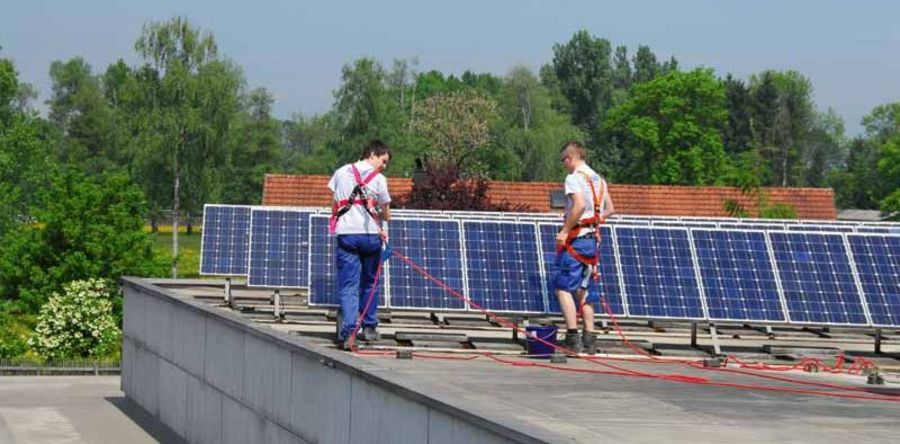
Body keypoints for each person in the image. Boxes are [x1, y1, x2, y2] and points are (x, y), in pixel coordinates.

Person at [328, 140, 392, 350]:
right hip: (370, 235)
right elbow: (387, 214)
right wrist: (380, 216)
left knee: (348, 286)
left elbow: (334, 204)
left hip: (347, 234)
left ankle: (348, 331)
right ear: (373, 154)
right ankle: (370, 327)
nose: (384, 166)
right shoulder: (379, 179)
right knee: (370, 283)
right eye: (383, 161)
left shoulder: (341, 172)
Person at [554, 141, 615, 355]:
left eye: (564, 161)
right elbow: (610, 209)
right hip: (592, 241)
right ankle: (590, 341)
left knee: (562, 286)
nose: (564, 166)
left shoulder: (573, 178)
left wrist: (565, 230)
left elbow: (578, 205)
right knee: (585, 289)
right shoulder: (599, 180)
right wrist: (593, 221)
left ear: (570, 158)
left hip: (577, 238)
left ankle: (572, 338)